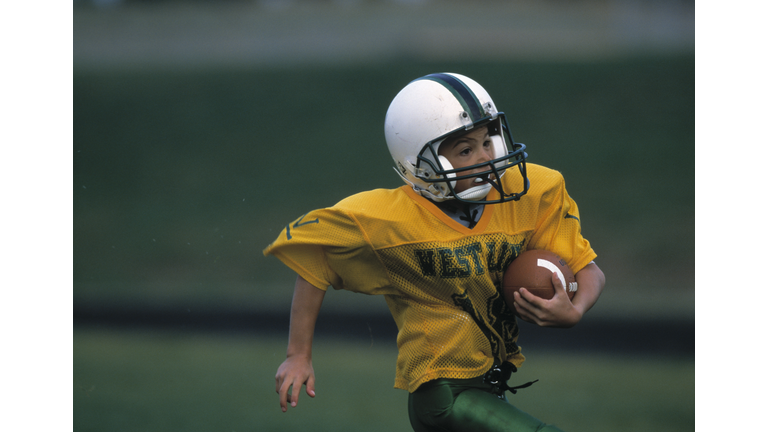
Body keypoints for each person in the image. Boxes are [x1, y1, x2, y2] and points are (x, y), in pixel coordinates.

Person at [264, 72, 605, 431]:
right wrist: (297, 355)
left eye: (487, 141)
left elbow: (588, 270)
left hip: (491, 385)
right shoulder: (388, 219)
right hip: (442, 394)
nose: (486, 156)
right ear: (419, 164)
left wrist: (576, 309)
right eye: (465, 150)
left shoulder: (530, 192)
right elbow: (315, 259)